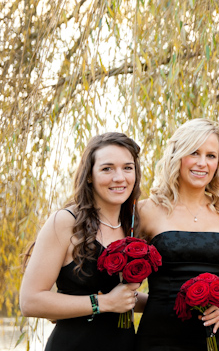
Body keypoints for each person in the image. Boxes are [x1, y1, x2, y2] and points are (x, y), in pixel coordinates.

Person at [20, 132, 144, 351]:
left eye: (127, 167)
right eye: (107, 168)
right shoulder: (66, 222)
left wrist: (167, 305)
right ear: (89, 175)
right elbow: (30, 301)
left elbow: (122, 297)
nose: (119, 177)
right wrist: (103, 303)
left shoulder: (134, 225)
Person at [135, 118, 219, 351]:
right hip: (158, 336)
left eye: (211, 155)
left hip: (213, 336)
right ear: (177, 155)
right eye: (194, 153)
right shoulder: (146, 210)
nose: (202, 163)